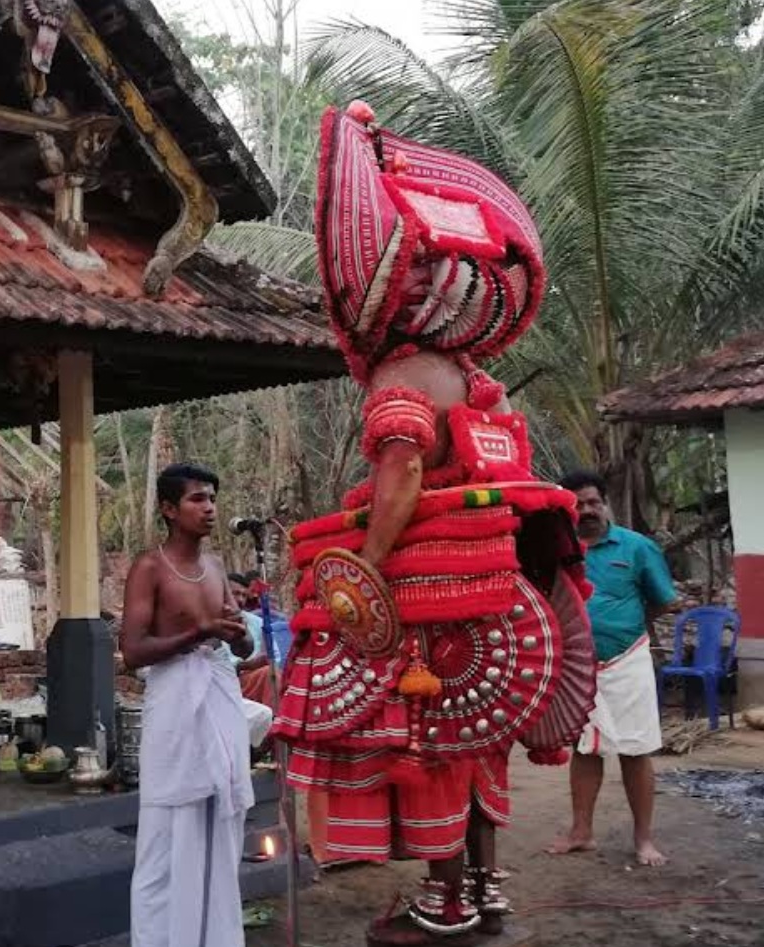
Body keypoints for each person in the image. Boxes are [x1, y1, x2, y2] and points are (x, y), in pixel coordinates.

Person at [270, 100, 600, 945]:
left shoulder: (401, 376)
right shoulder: (475, 380)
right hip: (494, 593)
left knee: (427, 746)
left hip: (429, 604)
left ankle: (444, 903)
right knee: (475, 745)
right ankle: (484, 891)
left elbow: (404, 471)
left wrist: (367, 563)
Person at [122, 462, 256, 947]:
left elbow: (243, 648)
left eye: (212, 498)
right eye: (198, 499)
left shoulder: (217, 567)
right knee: (164, 838)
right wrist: (198, 632)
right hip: (175, 706)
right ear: (168, 508)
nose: (210, 508)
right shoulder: (150, 568)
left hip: (220, 697)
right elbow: (132, 651)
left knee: (221, 825)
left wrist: (236, 635)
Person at [547, 470, 677, 867]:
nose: (587, 510)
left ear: (605, 504)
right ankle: (581, 832)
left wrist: (625, 628)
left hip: (628, 660)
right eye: (578, 505)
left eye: (593, 502)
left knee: (635, 750)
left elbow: (662, 601)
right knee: (585, 748)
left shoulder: (637, 547)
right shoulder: (555, 550)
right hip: (577, 665)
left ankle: (644, 839)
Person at [228, 572, 276, 706]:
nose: (240, 600)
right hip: (228, 681)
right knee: (268, 674)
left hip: (257, 677)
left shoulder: (257, 622)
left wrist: (267, 659)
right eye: (235, 594)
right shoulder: (213, 623)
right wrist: (244, 666)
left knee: (272, 673)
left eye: (244, 595)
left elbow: (274, 656)